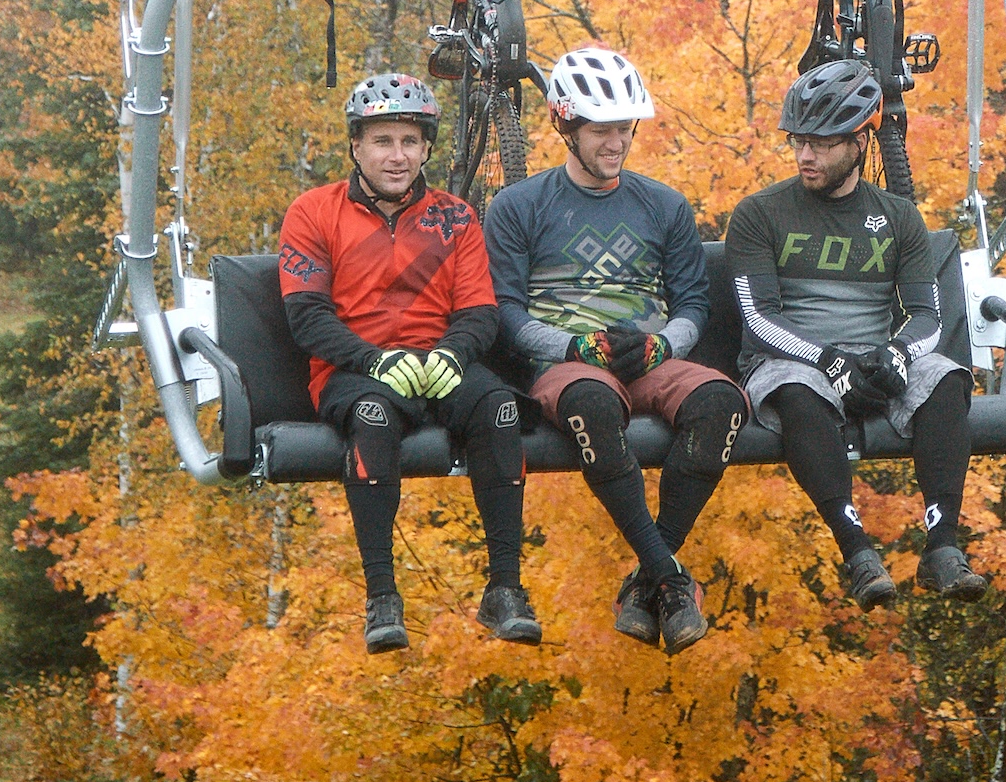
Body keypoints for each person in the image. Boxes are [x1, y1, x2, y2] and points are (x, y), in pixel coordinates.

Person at [485, 44, 747, 655]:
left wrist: (662, 346)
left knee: (721, 403)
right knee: (592, 403)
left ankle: (647, 578)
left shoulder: (664, 205)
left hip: (647, 353)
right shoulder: (518, 206)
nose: (617, 143)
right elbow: (506, 311)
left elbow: (692, 306)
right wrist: (574, 343)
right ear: (565, 126)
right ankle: (672, 579)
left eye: (625, 129)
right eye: (602, 130)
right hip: (566, 362)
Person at [277, 69, 541, 656]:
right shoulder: (314, 213)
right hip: (354, 368)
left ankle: (504, 588)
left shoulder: (455, 218)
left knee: (499, 407)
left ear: (426, 148)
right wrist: (372, 360)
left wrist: (452, 352)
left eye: (409, 142)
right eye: (382, 141)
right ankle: (382, 597)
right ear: (356, 145)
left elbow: (479, 310)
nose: (397, 156)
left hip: (437, 362)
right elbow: (308, 317)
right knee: (372, 417)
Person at [723, 58, 989, 606]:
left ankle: (942, 548)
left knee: (946, 379)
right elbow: (758, 317)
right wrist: (828, 361)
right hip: (791, 355)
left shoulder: (897, 216)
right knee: (795, 392)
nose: (805, 155)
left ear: (859, 141)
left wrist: (893, 354)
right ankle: (858, 553)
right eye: (798, 141)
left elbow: (927, 317)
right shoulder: (759, 214)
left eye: (821, 143)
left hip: (873, 355)